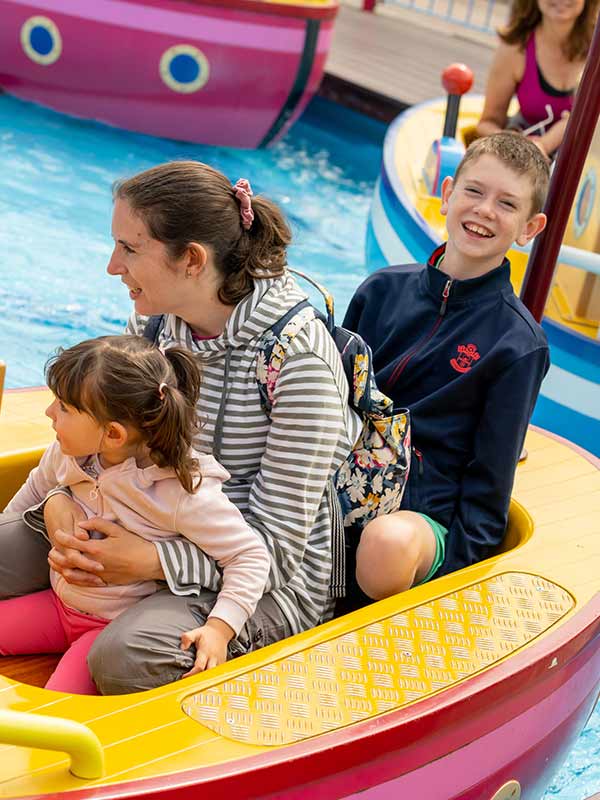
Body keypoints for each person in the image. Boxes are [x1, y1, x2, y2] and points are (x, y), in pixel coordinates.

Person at [0, 162, 361, 694]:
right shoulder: (154, 321)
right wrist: (57, 504)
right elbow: (105, 445)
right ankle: (81, 619)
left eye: (129, 248)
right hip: (129, 518)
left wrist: (150, 561)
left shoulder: (298, 362)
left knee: (125, 657)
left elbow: (274, 554)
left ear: (191, 259)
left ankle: (106, 633)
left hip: (251, 581)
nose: (111, 266)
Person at [342, 132, 550, 606]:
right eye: (474, 191)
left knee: (385, 544)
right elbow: (332, 395)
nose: (484, 210)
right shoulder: (380, 291)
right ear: (448, 193)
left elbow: (490, 479)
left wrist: (457, 580)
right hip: (343, 478)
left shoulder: (517, 343)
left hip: (419, 513)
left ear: (529, 228)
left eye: (507, 203)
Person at [0, 335, 270, 694]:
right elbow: (32, 493)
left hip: (107, 628)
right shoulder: (68, 453)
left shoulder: (179, 491)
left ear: (112, 434)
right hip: (57, 604)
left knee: (57, 703)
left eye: (63, 407)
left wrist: (221, 628)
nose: (50, 413)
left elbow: (249, 556)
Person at [476, 0, 599, 159]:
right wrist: (518, 146)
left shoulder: (597, 52)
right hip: (524, 161)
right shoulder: (515, 49)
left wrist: (545, 143)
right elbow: (486, 124)